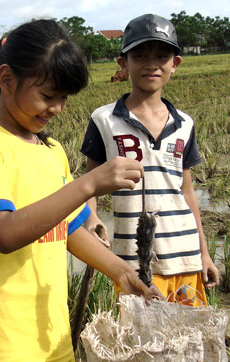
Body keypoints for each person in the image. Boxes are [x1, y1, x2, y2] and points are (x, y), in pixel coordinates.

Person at [0, 19, 161, 362]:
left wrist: (121, 272)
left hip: (51, 335)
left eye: (63, 98)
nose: (57, 108)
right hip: (0, 340)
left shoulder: (53, 152)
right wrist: (89, 184)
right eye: (48, 96)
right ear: (6, 79)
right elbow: (5, 234)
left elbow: (66, 230)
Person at [80, 14, 220, 307]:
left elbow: (187, 191)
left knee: (188, 344)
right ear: (123, 64)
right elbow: (87, 185)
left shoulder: (185, 124)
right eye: (140, 55)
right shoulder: (104, 120)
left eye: (162, 55)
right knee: (142, 345)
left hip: (185, 258)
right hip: (134, 263)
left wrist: (203, 254)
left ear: (175, 64)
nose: (151, 64)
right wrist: (91, 219)